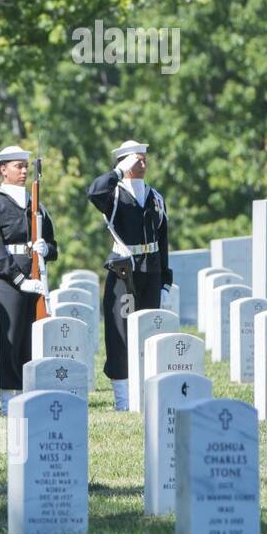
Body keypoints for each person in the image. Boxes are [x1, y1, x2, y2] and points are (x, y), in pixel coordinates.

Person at [87, 139, 173, 410]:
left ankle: (148, 390)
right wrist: (120, 172)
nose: (143, 164)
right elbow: (93, 191)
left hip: (152, 268)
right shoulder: (113, 194)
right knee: (120, 332)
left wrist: (166, 282)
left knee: (150, 332)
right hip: (123, 269)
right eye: (137, 160)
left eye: (145, 159)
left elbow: (163, 239)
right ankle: (123, 397)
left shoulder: (155, 196)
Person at [0, 145, 58, 406]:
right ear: (3, 170)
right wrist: (21, 279)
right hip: (8, 281)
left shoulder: (36, 205)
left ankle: (28, 391)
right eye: (17, 166)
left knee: (30, 337)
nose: (23, 171)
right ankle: (8, 394)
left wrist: (46, 249)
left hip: (35, 278)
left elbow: (53, 246)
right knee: (9, 337)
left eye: (25, 167)